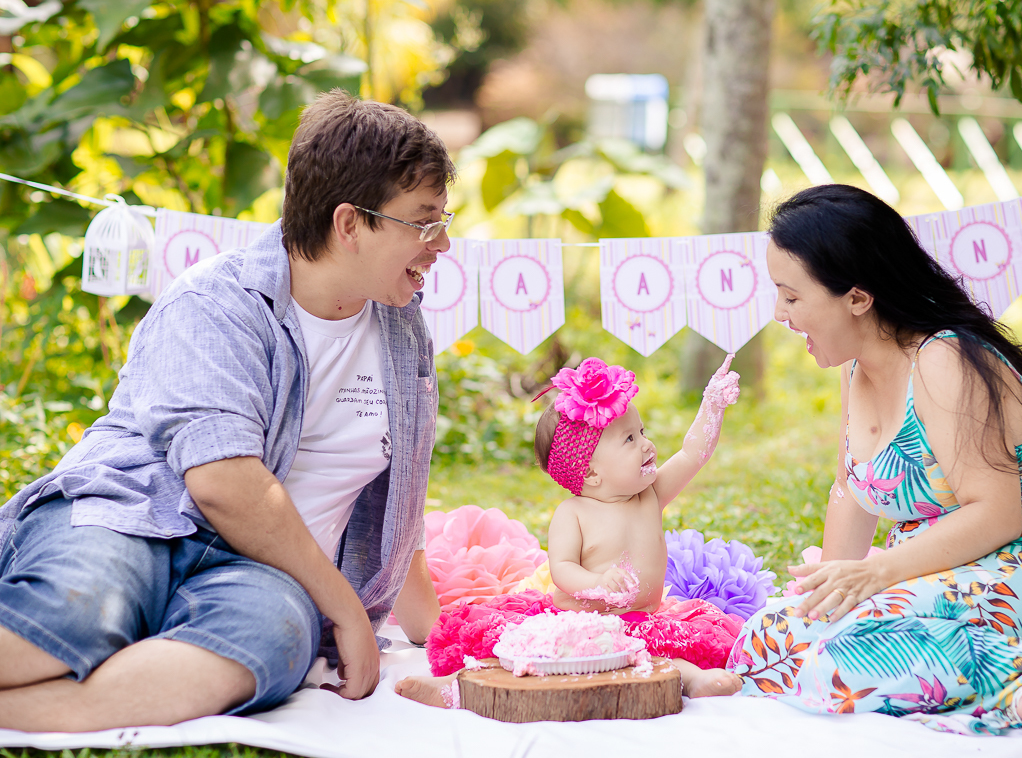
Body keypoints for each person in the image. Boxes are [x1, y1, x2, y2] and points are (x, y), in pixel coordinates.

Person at [0, 90, 450, 730]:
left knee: (270, 643)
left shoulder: (403, 330)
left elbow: (394, 499)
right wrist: (346, 609)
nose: (443, 243)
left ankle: (54, 709)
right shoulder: (217, 302)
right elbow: (225, 483)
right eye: (423, 221)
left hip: (259, 574)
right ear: (350, 224)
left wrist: (445, 635)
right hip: (136, 517)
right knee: (75, 614)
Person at [729, 184, 1022, 736]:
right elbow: (850, 492)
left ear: (858, 298)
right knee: (767, 639)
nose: (779, 313)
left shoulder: (945, 359)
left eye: (791, 297)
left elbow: (996, 514)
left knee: (847, 656)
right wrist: (830, 591)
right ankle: (1017, 693)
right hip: (940, 570)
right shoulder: (855, 367)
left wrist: (875, 573)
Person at [399, 355, 745, 704]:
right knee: (524, 653)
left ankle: (693, 679)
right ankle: (456, 684)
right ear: (591, 473)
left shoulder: (650, 496)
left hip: (638, 622)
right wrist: (596, 583)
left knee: (655, 656)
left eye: (642, 432)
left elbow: (692, 454)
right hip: (576, 621)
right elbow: (562, 569)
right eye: (629, 439)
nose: (647, 444)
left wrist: (712, 404)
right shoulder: (573, 513)